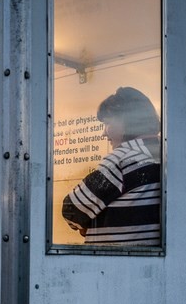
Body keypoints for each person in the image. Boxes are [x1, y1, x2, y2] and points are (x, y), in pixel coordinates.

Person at [61, 86, 162, 246]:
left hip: (111, 264)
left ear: (126, 120)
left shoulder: (124, 158)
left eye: (107, 123)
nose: (104, 133)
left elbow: (71, 210)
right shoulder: (163, 154)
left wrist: (90, 221)